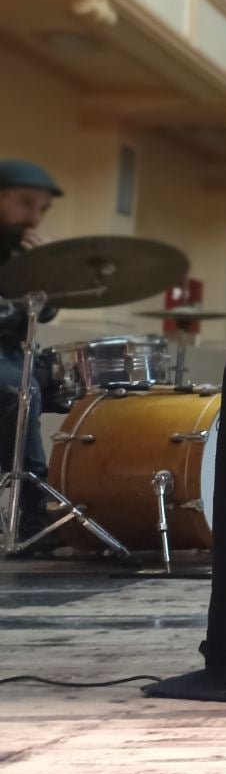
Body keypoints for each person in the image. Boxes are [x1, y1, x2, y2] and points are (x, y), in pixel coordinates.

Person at [0, 159, 62, 552]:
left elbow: (47, 312)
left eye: (42, 209)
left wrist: (42, 274)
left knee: (94, 384)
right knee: (20, 390)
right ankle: (34, 515)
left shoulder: (16, 254)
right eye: (26, 204)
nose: (34, 218)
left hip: (11, 355)